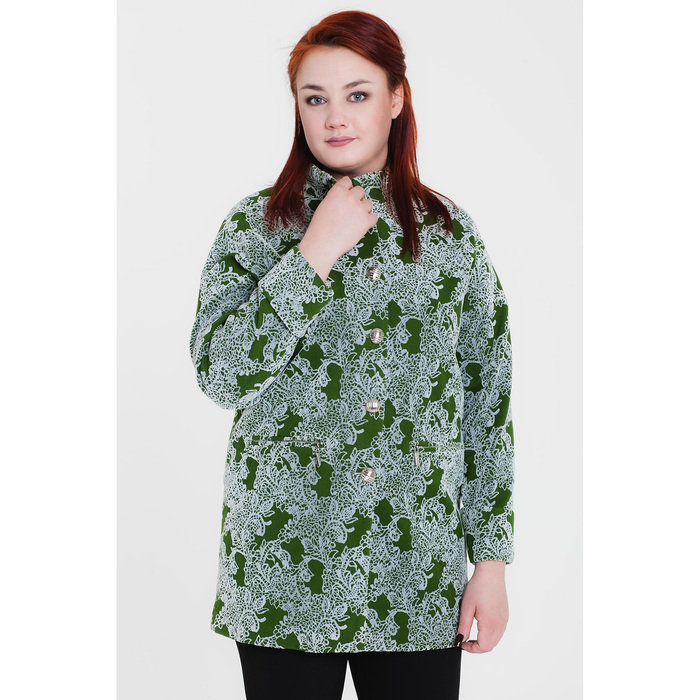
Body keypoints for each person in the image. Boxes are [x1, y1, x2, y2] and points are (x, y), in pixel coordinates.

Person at [189, 10, 514, 700]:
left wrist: (490, 562)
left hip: (415, 573)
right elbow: (220, 375)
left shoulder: (450, 236)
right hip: (283, 574)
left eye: (357, 94)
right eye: (315, 98)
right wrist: (313, 254)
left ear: (396, 98)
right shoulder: (256, 227)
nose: (335, 117)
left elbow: (488, 402)